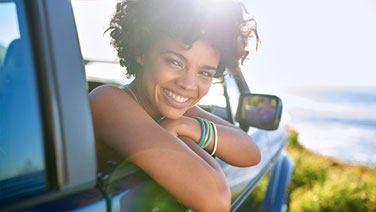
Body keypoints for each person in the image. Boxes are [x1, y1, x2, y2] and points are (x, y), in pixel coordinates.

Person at [89, 0, 261, 211]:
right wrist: (184, 136)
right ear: (141, 51)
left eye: (205, 73)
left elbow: (251, 151)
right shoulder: (108, 102)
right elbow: (215, 200)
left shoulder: (176, 112)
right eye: (175, 62)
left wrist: (188, 127)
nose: (188, 84)